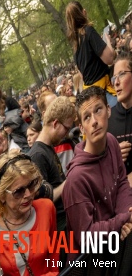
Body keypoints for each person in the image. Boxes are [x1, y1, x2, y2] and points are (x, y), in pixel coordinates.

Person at [63, 86, 132, 256]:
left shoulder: (111, 141)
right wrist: (122, 220)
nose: (94, 121)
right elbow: (86, 239)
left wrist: (126, 214)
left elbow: (122, 181)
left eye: (98, 110)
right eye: (87, 117)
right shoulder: (76, 179)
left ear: (108, 110)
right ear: (81, 127)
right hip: (93, 260)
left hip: (117, 240)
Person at [0, 152, 59, 276]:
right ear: (1, 195)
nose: (28, 195)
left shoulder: (46, 208)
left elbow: (53, 259)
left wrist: (52, 274)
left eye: (31, 185)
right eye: (18, 191)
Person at [28, 97, 73, 232]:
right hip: (58, 228)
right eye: (66, 129)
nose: (66, 134)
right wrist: (70, 181)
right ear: (55, 123)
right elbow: (42, 202)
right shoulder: (37, 155)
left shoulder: (48, 147)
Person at [65, 1, 117, 104]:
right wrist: (108, 42)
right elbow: (109, 58)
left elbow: (82, 75)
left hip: (92, 97)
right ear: (83, 12)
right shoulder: (89, 31)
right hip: (104, 93)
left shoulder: (75, 45)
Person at [108, 51, 132, 178]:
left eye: (121, 74)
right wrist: (114, 156)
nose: (116, 83)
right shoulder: (108, 119)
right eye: (113, 78)